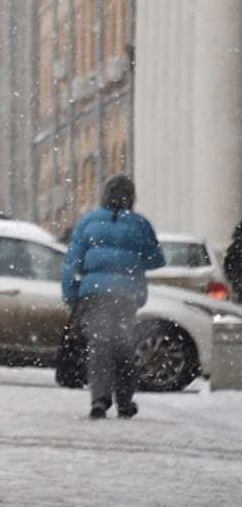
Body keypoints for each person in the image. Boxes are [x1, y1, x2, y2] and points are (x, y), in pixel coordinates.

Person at [62, 176, 164, 420]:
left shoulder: (87, 222)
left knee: (99, 346)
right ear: (131, 197)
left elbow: (72, 262)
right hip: (126, 296)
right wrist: (132, 259)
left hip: (94, 294)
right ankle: (125, 401)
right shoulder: (140, 224)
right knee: (123, 345)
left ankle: (99, 400)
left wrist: (70, 293)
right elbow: (156, 259)